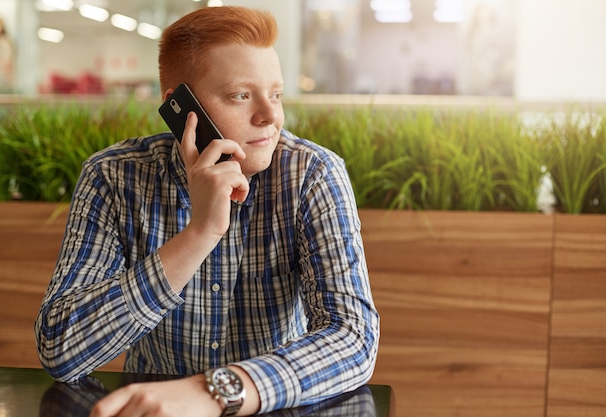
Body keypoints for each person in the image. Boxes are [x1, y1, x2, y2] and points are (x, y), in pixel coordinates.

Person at [35, 6, 379, 417]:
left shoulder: (312, 174)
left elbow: (353, 338)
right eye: (240, 95)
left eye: (276, 94)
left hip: (269, 408)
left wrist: (214, 392)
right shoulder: (114, 176)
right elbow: (60, 348)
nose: (270, 117)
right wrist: (199, 234)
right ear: (180, 108)